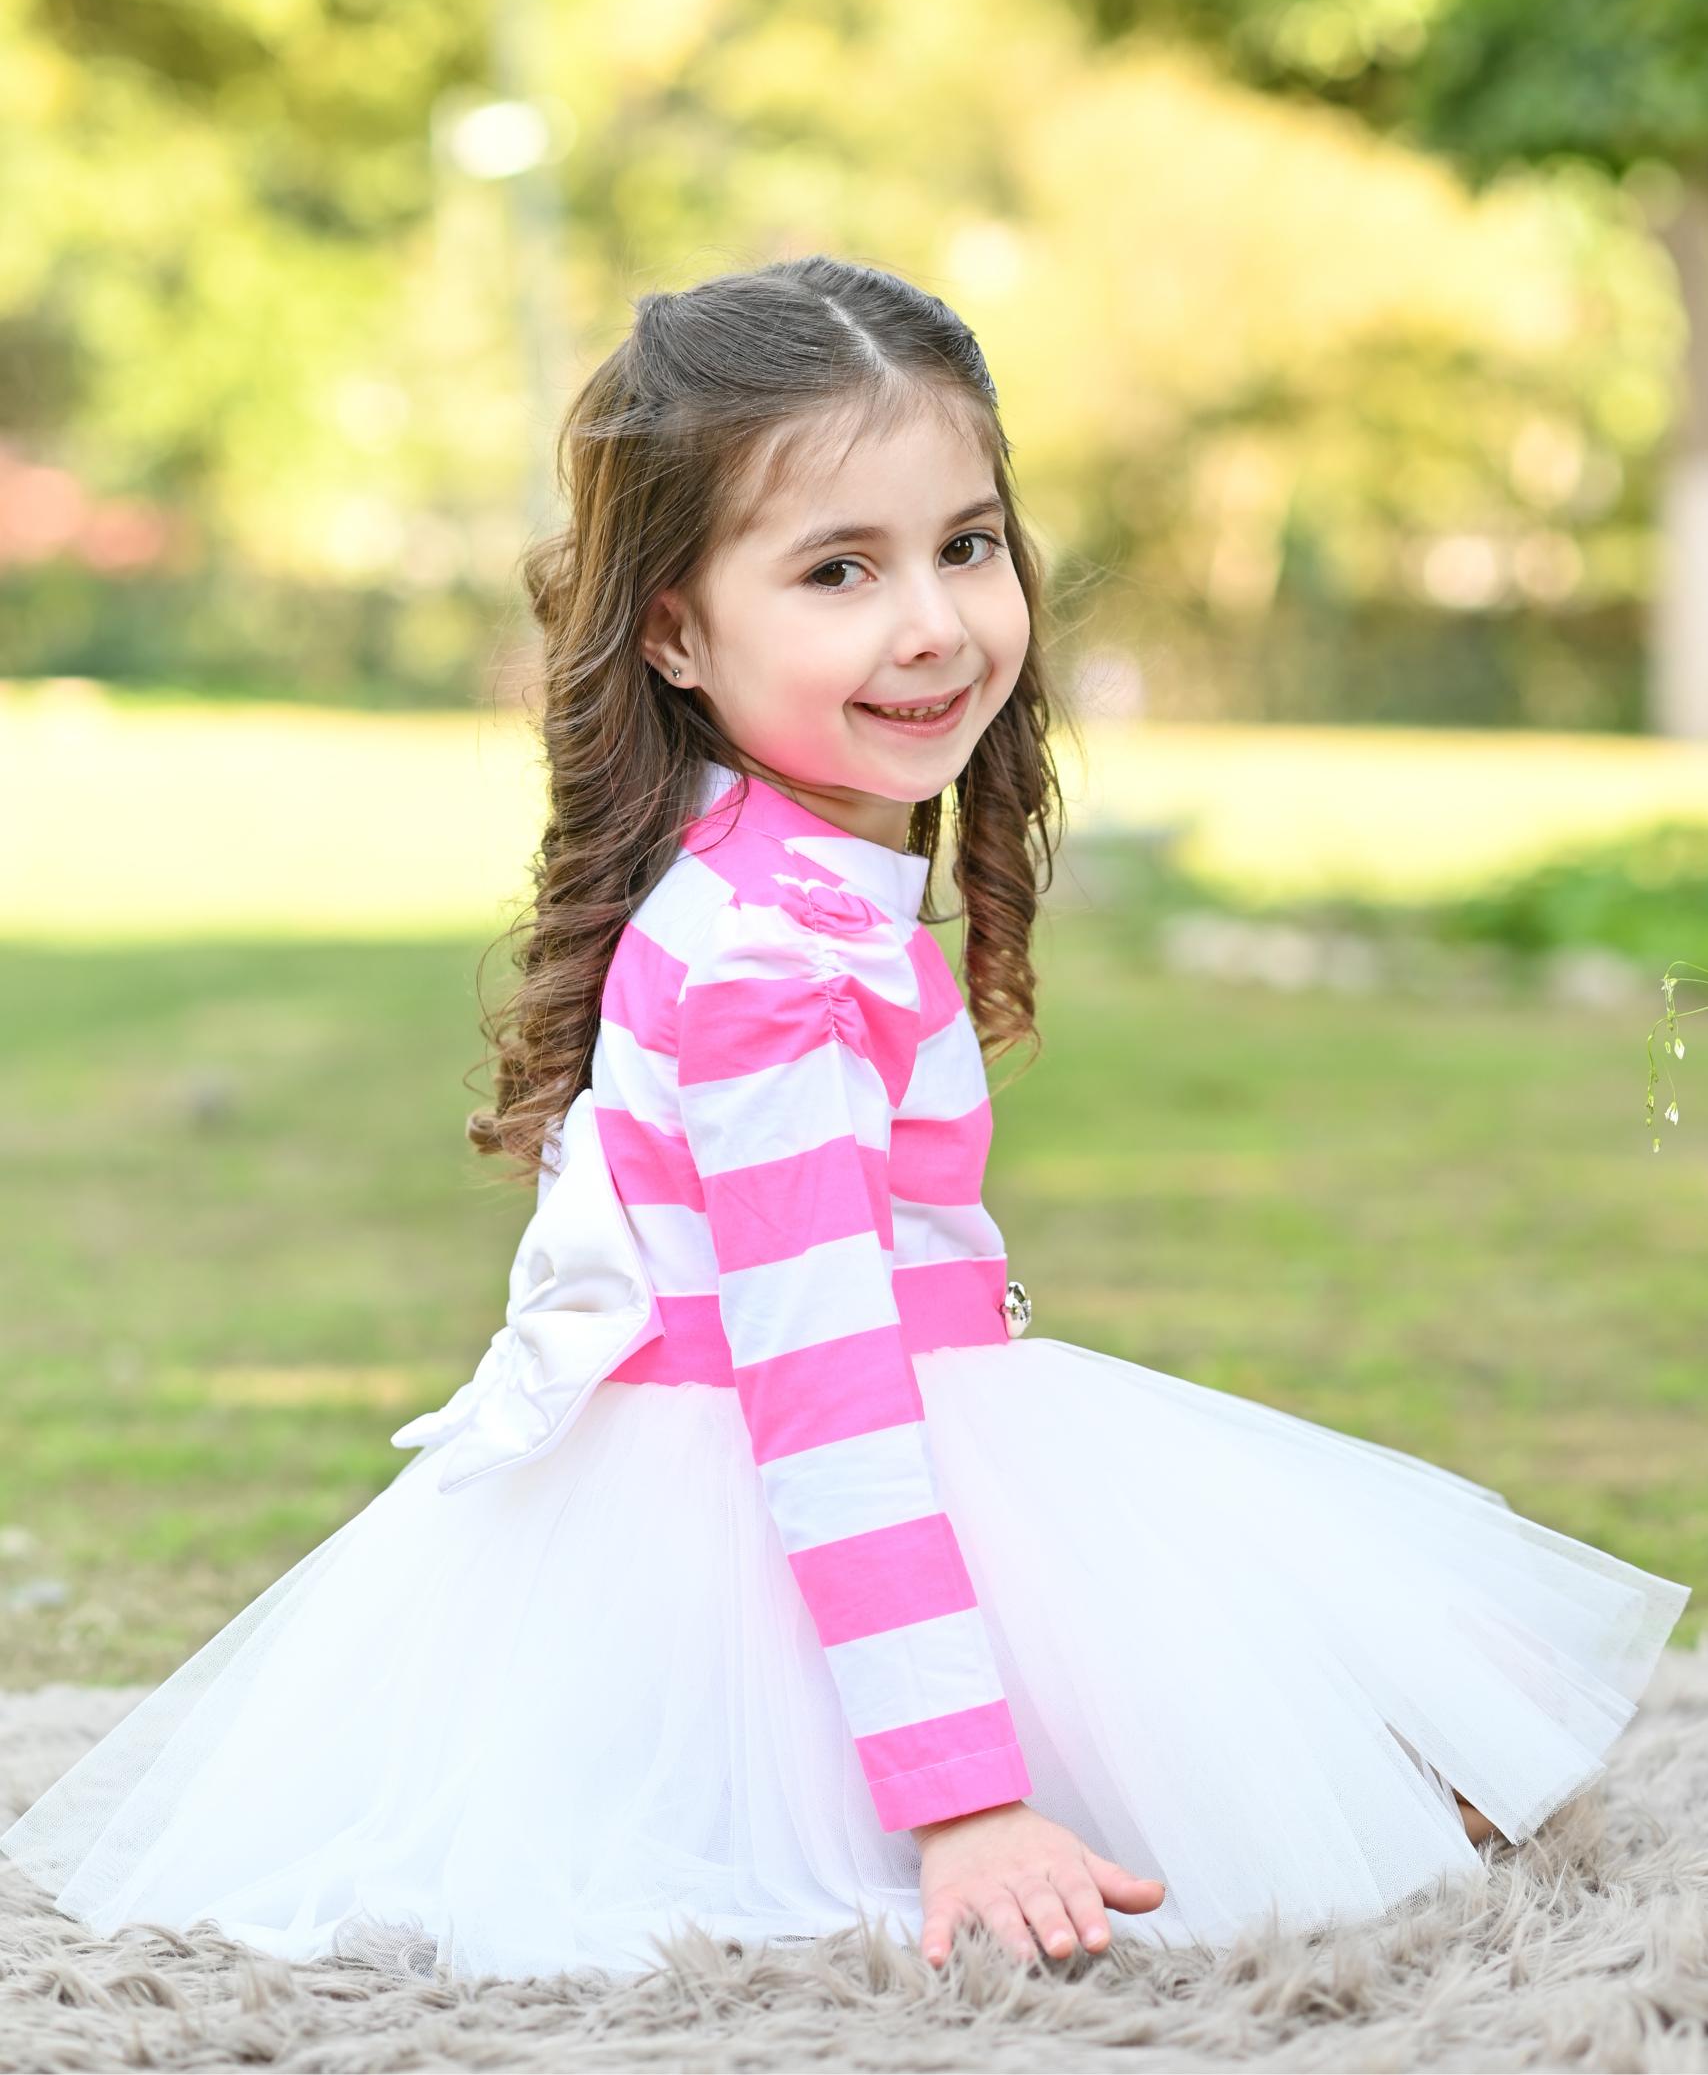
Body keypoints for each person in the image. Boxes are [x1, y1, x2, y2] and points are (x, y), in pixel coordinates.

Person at [0, 256, 1690, 1985]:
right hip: (788, 1506)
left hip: (915, 1431)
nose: (934, 624)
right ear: (672, 628)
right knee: (1241, 1819)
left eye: (966, 543)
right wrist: (963, 1800)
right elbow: (822, 1398)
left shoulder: (791, 891)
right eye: (838, 570)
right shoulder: (769, 974)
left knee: (1379, 1713)